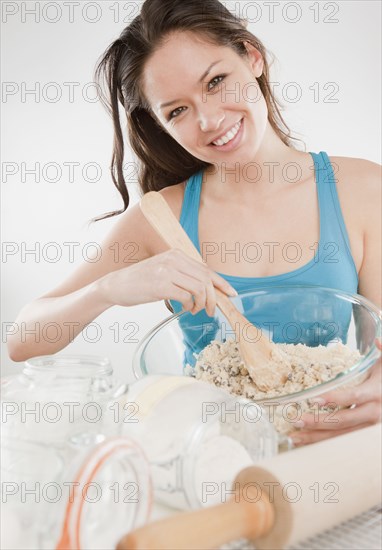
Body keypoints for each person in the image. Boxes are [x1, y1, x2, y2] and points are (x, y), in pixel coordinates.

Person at [7, 0, 381, 446]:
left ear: (252, 55)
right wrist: (108, 290)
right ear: (160, 124)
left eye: (216, 81)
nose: (209, 120)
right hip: (212, 461)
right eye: (177, 111)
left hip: (329, 449)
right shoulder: (160, 218)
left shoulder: (362, 189)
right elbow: (22, 339)